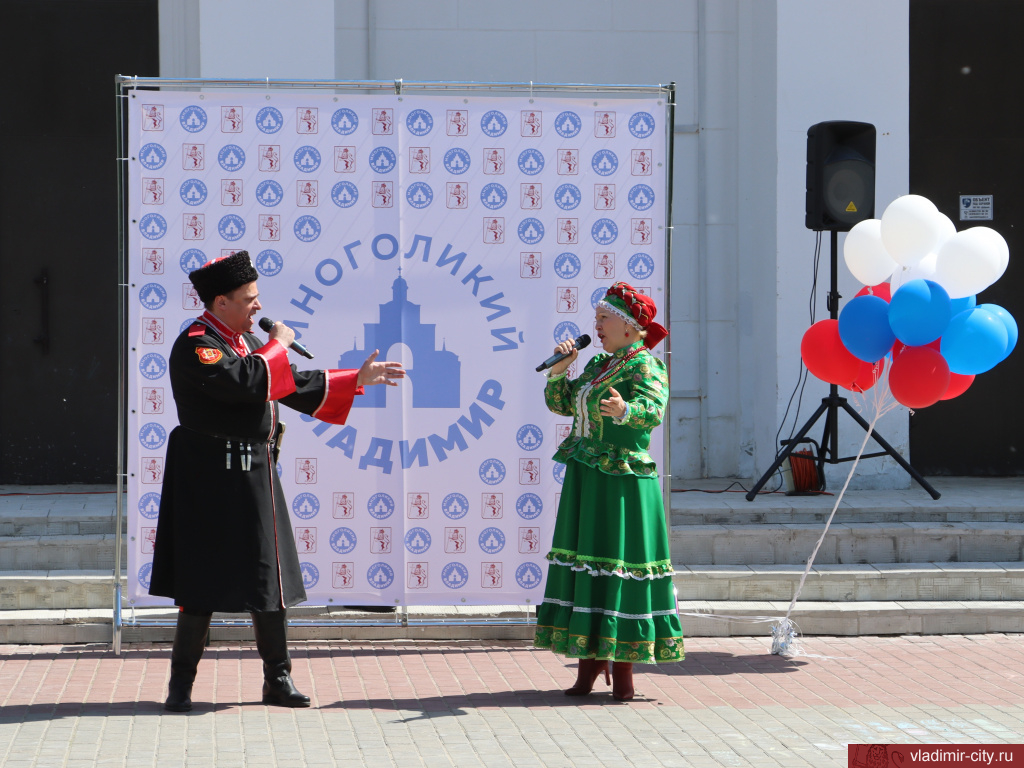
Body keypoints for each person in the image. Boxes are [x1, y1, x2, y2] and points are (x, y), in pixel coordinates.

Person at [150, 250, 405, 712]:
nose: (258, 308)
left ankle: (278, 680)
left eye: (257, 298)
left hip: (253, 475)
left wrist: (355, 377)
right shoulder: (197, 343)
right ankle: (180, 687)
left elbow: (284, 384)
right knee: (199, 582)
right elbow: (248, 383)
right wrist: (280, 345)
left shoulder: (245, 342)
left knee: (269, 578)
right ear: (220, 301)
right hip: (206, 479)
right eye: (249, 299)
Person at [533, 281, 684, 701]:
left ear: (631, 326)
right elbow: (563, 405)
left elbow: (653, 411)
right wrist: (562, 368)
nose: (596, 326)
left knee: (618, 566)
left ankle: (624, 670)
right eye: (597, 318)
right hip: (587, 477)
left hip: (623, 482)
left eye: (604, 319)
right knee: (588, 566)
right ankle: (588, 664)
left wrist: (625, 410)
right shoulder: (599, 363)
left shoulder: (645, 366)